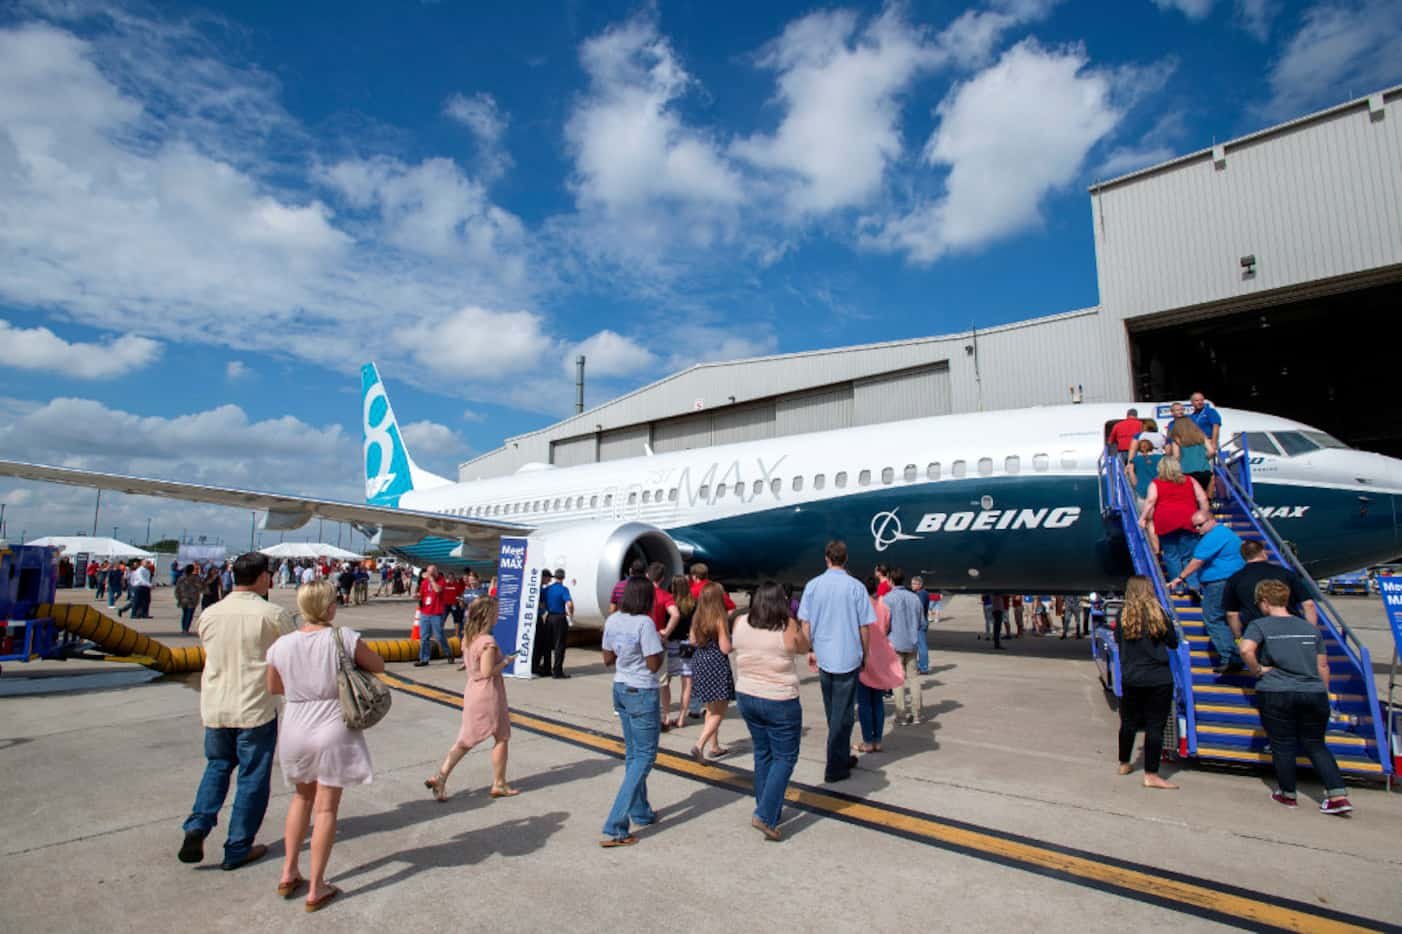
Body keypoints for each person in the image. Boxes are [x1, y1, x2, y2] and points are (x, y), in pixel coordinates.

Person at [266, 579, 384, 911]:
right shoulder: (342, 637)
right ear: (328, 606)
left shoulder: (282, 645)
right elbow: (378, 666)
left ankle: (289, 871)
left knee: (301, 798)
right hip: (333, 722)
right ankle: (316, 887)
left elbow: (275, 685)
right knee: (327, 807)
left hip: (296, 725)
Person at [178, 553, 295, 872]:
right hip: (255, 706)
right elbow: (291, 653)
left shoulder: (211, 614)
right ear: (261, 578)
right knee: (252, 777)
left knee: (216, 766)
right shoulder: (273, 614)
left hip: (216, 705)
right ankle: (237, 847)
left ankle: (197, 825)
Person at [1240, 579, 1352, 814]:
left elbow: (1245, 649)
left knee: (1282, 745)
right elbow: (1323, 666)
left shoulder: (1260, 625)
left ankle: (1288, 794)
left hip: (1276, 691)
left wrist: (1257, 669)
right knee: (1316, 745)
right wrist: (1323, 691)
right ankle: (1337, 795)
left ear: (1264, 602)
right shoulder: (1309, 629)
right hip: (1313, 692)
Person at [732, 580, 810, 841]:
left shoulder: (740, 622)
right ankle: (765, 814)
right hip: (779, 698)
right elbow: (803, 647)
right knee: (785, 757)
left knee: (762, 753)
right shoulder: (787, 626)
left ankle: (768, 810)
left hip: (747, 695)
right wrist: (803, 624)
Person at [425, 596, 518, 802]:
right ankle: (499, 782)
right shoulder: (487, 642)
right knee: (501, 736)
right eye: (495, 612)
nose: (498, 616)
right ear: (487, 615)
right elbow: (487, 672)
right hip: (488, 692)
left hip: (472, 690)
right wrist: (506, 662)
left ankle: (440, 776)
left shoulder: (469, 638)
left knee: (466, 740)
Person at [797, 540, 874, 783]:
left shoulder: (812, 586)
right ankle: (835, 766)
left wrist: (809, 648)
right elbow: (864, 626)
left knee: (833, 711)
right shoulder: (856, 587)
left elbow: (805, 623)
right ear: (846, 558)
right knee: (843, 714)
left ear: (827, 558)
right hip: (848, 656)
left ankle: (840, 756)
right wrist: (866, 653)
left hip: (824, 656)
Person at [600, 576, 664, 847]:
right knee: (645, 757)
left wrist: (623, 652)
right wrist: (657, 646)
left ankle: (640, 810)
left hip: (621, 686)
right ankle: (616, 824)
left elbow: (607, 658)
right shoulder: (645, 623)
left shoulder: (613, 620)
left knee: (633, 754)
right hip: (641, 690)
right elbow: (652, 664)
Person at [1114, 577, 1180, 789]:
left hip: (1132, 676)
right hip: (1158, 677)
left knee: (1129, 722)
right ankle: (1151, 774)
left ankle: (1124, 762)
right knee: (1155, 727)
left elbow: (1118, 640)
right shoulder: (1158, 614)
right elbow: (1173, 641)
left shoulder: (1123, 615)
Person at [1169, 510, 1247, 673]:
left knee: (1213, 617)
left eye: (1200, 525)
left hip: (1219, 582)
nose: (1197, 529)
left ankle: (1230, 656)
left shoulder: (1214, 535)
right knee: (1230, 618)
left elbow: (1197, 560)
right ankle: (1239, 652)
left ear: (1211, 520)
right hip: (1233, 580)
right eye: (1195, 526)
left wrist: (1180, 577)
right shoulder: (1226, 533)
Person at [1139, 456, 1209, 589]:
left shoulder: (1156, 483)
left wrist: (1143, 518)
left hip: (1165, 521)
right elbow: (1203, 498)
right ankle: (1193, 584)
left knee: (1171, 555)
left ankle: (1178, 586)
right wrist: (1205, 516)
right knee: (1189, 555)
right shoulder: (1190, 480)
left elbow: (1150, 501)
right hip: (1189, 519)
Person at [1223, 540, 1318, 639]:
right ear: (1263, 553)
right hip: (1291, 630)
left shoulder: (1235, 579)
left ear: (1243, 556)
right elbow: (1309, 605)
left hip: (1258, 633)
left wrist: (1238, 637)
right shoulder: (1285, 573)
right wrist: (1311, 634)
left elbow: (1232, 614)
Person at [689, 582, 735, 761]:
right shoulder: (719, 618)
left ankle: (714, 746)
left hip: (700, 661)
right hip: (716, 663)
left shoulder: (697, 617)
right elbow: (725, 648)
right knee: (720, 711)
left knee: (710, 707)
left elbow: (693, 640)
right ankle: (699, 744)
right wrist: (733, 642)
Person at [857, 576, 902, 751]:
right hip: (881, 657)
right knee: (877, 701)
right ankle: (878, 740)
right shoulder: (883, 607)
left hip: (865, 655)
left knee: (864, 702)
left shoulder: (860, 607)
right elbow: (886, 628)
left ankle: (867, 741)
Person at [883, 569, 924, 724]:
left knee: (897, 680)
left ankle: (901, 715)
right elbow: (921, 622)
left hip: (895, 643)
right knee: (913, 678)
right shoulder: (915, 598)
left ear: (891, 581)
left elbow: (884, 624)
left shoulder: (888, 599)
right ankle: (917, 713)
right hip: (912, 642)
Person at [646, 563, 680, 726]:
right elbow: (675, 614)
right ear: (662, 578)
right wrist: (666, 631)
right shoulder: (665, 596)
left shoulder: (641, 595)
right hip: (657, 640)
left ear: (647, 575)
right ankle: (665, 715)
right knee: (662, 681)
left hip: (641, 640)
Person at [665, 575, 697, 730]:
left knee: (666, 681)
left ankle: (666, 715)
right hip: (687, 644)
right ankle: (682, 717)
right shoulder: (693, 603)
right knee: (687, 682)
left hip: (671, 643)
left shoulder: (669, 601)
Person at [414, 564, 452, 667]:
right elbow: (421, 594)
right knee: (424, 637)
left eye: (432, 572)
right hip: (425, 612)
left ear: (436, 572)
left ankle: (448, 653)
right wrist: (417, 596)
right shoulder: (424, 583)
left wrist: (431, 580)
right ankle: (424, 659)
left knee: (439, 636)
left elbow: (438, 590)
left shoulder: (441, 580)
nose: (430, 574)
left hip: (436, 612)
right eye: (429, 572)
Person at [1169, 417, 1215, 497]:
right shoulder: (1201, 436)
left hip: (1186, 472)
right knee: (1203, 495)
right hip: (1204, 471)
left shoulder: (1177, 439)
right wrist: (1204, 458)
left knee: (1190, 497)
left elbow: (1176, 456)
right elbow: (1212, 451)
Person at [540, 568, 574, 678]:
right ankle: (557, 671)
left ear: (555, 577)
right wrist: (570, 614)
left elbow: (541, 602)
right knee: (559, 645)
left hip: (550, 617)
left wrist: (546, 609)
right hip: (560, 618)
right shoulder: (564, 589)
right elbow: (569, 604)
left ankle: (546, 669)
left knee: (547, 645)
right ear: (563, 577)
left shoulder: (547, 589)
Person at [1126, 439, 1163, 507]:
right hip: (1158, 491)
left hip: (1142, 491)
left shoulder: (1135, 460)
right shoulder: (1160, 458)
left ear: (1139, 449)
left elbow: (1132, 475)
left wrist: (1136, 486)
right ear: (1151, 447)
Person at [910, 575, 931, 674]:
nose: (912, 585)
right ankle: (921, 665)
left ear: (920, 584)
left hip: (920, 622)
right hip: (922, 621)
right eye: (912, 583)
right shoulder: (922, 593)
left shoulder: (921, 594)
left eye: (914, 583)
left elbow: (919, 608)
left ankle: (923, 667)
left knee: (922, 645)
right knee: (920, 645)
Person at [175, 564, 204, 634]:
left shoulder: (181, 578)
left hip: (183, 598)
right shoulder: (196, 578)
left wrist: (178, 597)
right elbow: (200, 587)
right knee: (189, 614)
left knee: (184, 614)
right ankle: (186, 628)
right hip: (192, 598)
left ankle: (183, 628)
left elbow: (177, 589)